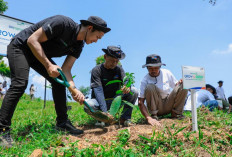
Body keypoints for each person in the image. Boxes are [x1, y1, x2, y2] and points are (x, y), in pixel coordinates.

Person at [0, 15, 111, 147]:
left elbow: (66, 70)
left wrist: (74, 90)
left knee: (58, 80)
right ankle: (2, 129)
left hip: (37, 55)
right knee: (20, 83)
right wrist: (48, 65)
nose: (96, 41)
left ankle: (62, 124)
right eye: (97, 37)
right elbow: (32, 40)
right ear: (90, 28)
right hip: (21, 47)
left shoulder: (78, 45)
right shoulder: (62, 24)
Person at [84, 46, 138, 127]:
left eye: (117, 61)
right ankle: (101, 119)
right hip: (100, 102)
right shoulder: (97, 70)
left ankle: (125, 118)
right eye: (112, 60)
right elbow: (98, 92)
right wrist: (104, 112)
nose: (114, 63)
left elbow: (126, 80)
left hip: (115, 102)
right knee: (88, 105)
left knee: (134, 91)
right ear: (105, 57)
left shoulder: (119, 69)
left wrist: (127, 86)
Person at [138, 54, 188, 127]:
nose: (153, 70)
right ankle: (154, 116)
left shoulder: (167, 73)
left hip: (168, 103)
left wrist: (181, 82)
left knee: (184, 84)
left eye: (156, 68)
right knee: (150, 87)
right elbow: (140, 102)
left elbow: (176, 86)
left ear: (160, 67)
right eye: (150, 68)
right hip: (156, 107)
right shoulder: (144, 80)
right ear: (147, 68)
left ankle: (176, 113)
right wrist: (148, 118)